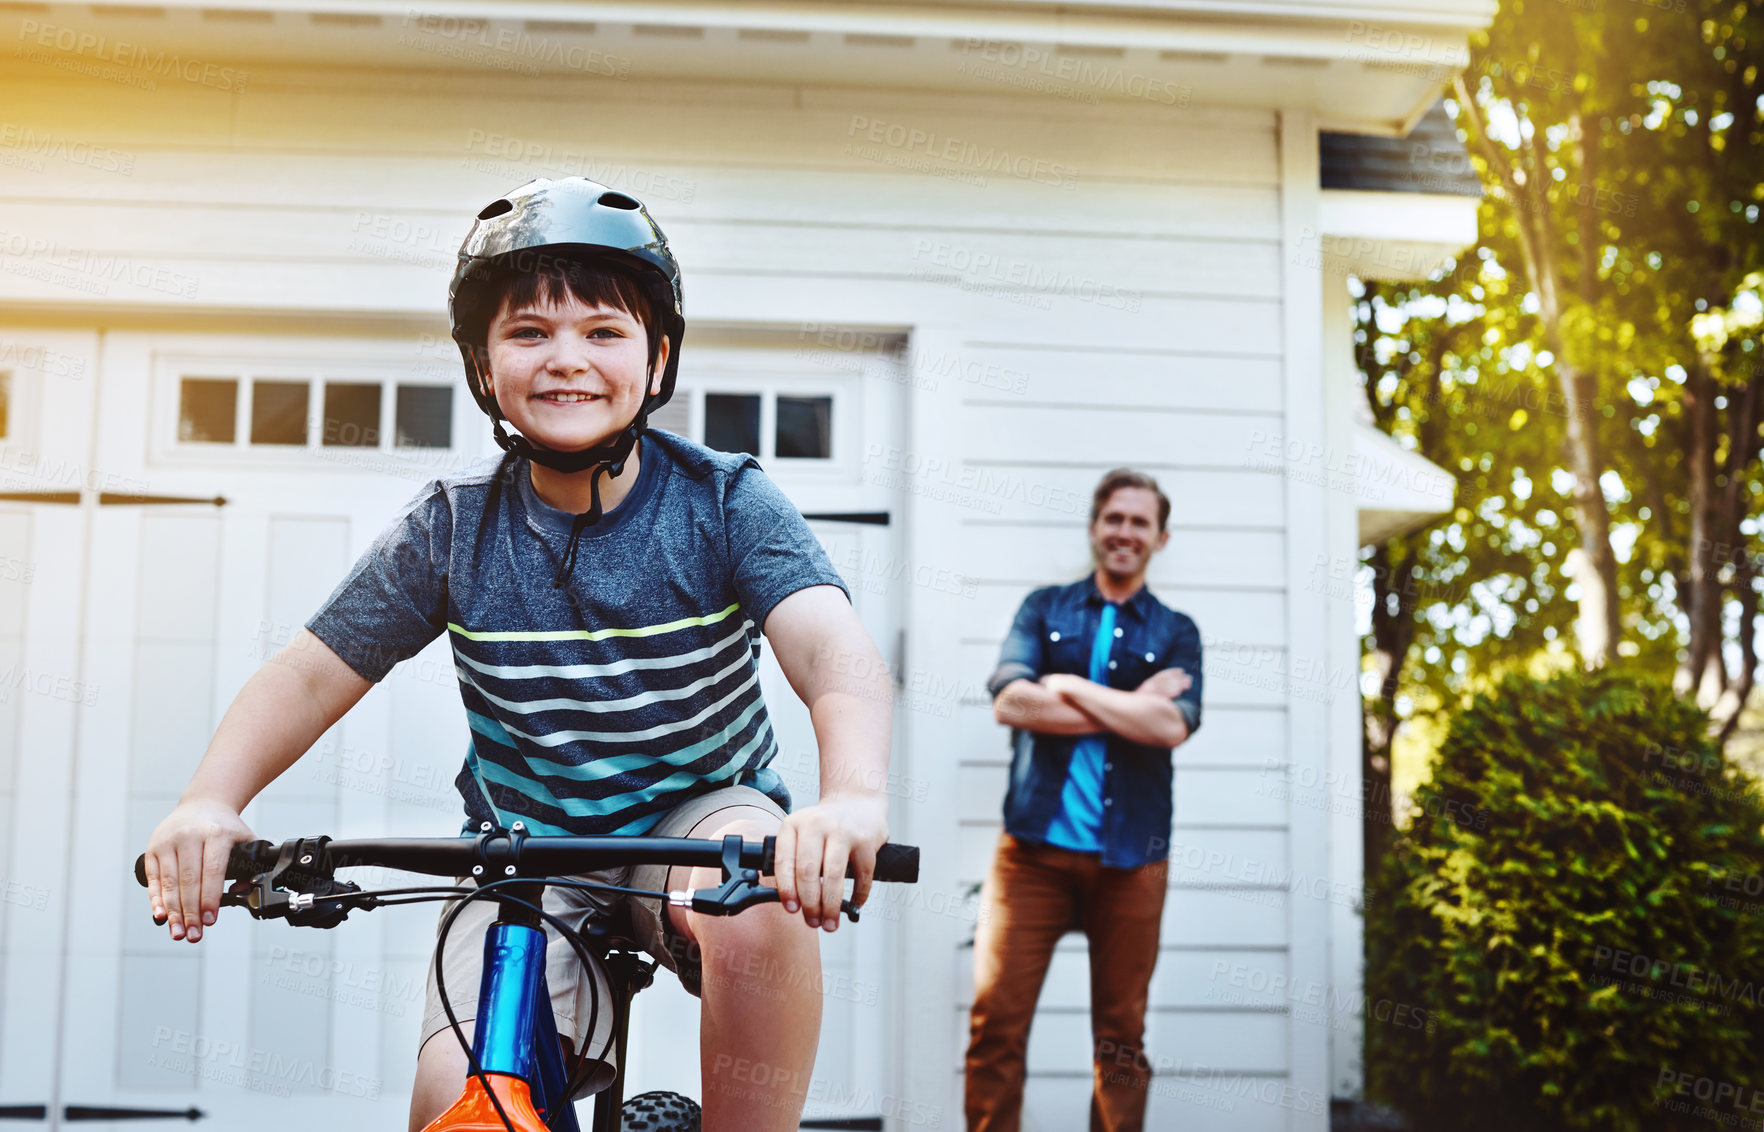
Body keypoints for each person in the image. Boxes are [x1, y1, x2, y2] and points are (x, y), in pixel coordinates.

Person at [139, 177, 893, 1132]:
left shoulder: (723, 502)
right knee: (457, 1105)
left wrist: (853, 797)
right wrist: (211, 798)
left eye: (603, 332)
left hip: (698, 818)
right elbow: (306, 673)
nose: (566, 359)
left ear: (658, 359)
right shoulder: (452, 527)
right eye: (529, 332)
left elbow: (837, 653)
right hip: (527, 847)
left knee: (761, 897)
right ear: (482, 366)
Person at [965, 468, 1203, 1132]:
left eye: (1139, 522)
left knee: (1122, 1040)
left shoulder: (1178, 631)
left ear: (1160, 537)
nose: (1125, 532)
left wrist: (1067, 687)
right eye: (1114, 519)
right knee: (996, 1026)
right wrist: (1133, 704)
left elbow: (1171, 726)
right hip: (1032, 856)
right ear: (1096, 527)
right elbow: (1012, 701)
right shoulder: (1045, 608)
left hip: (1134, 859)